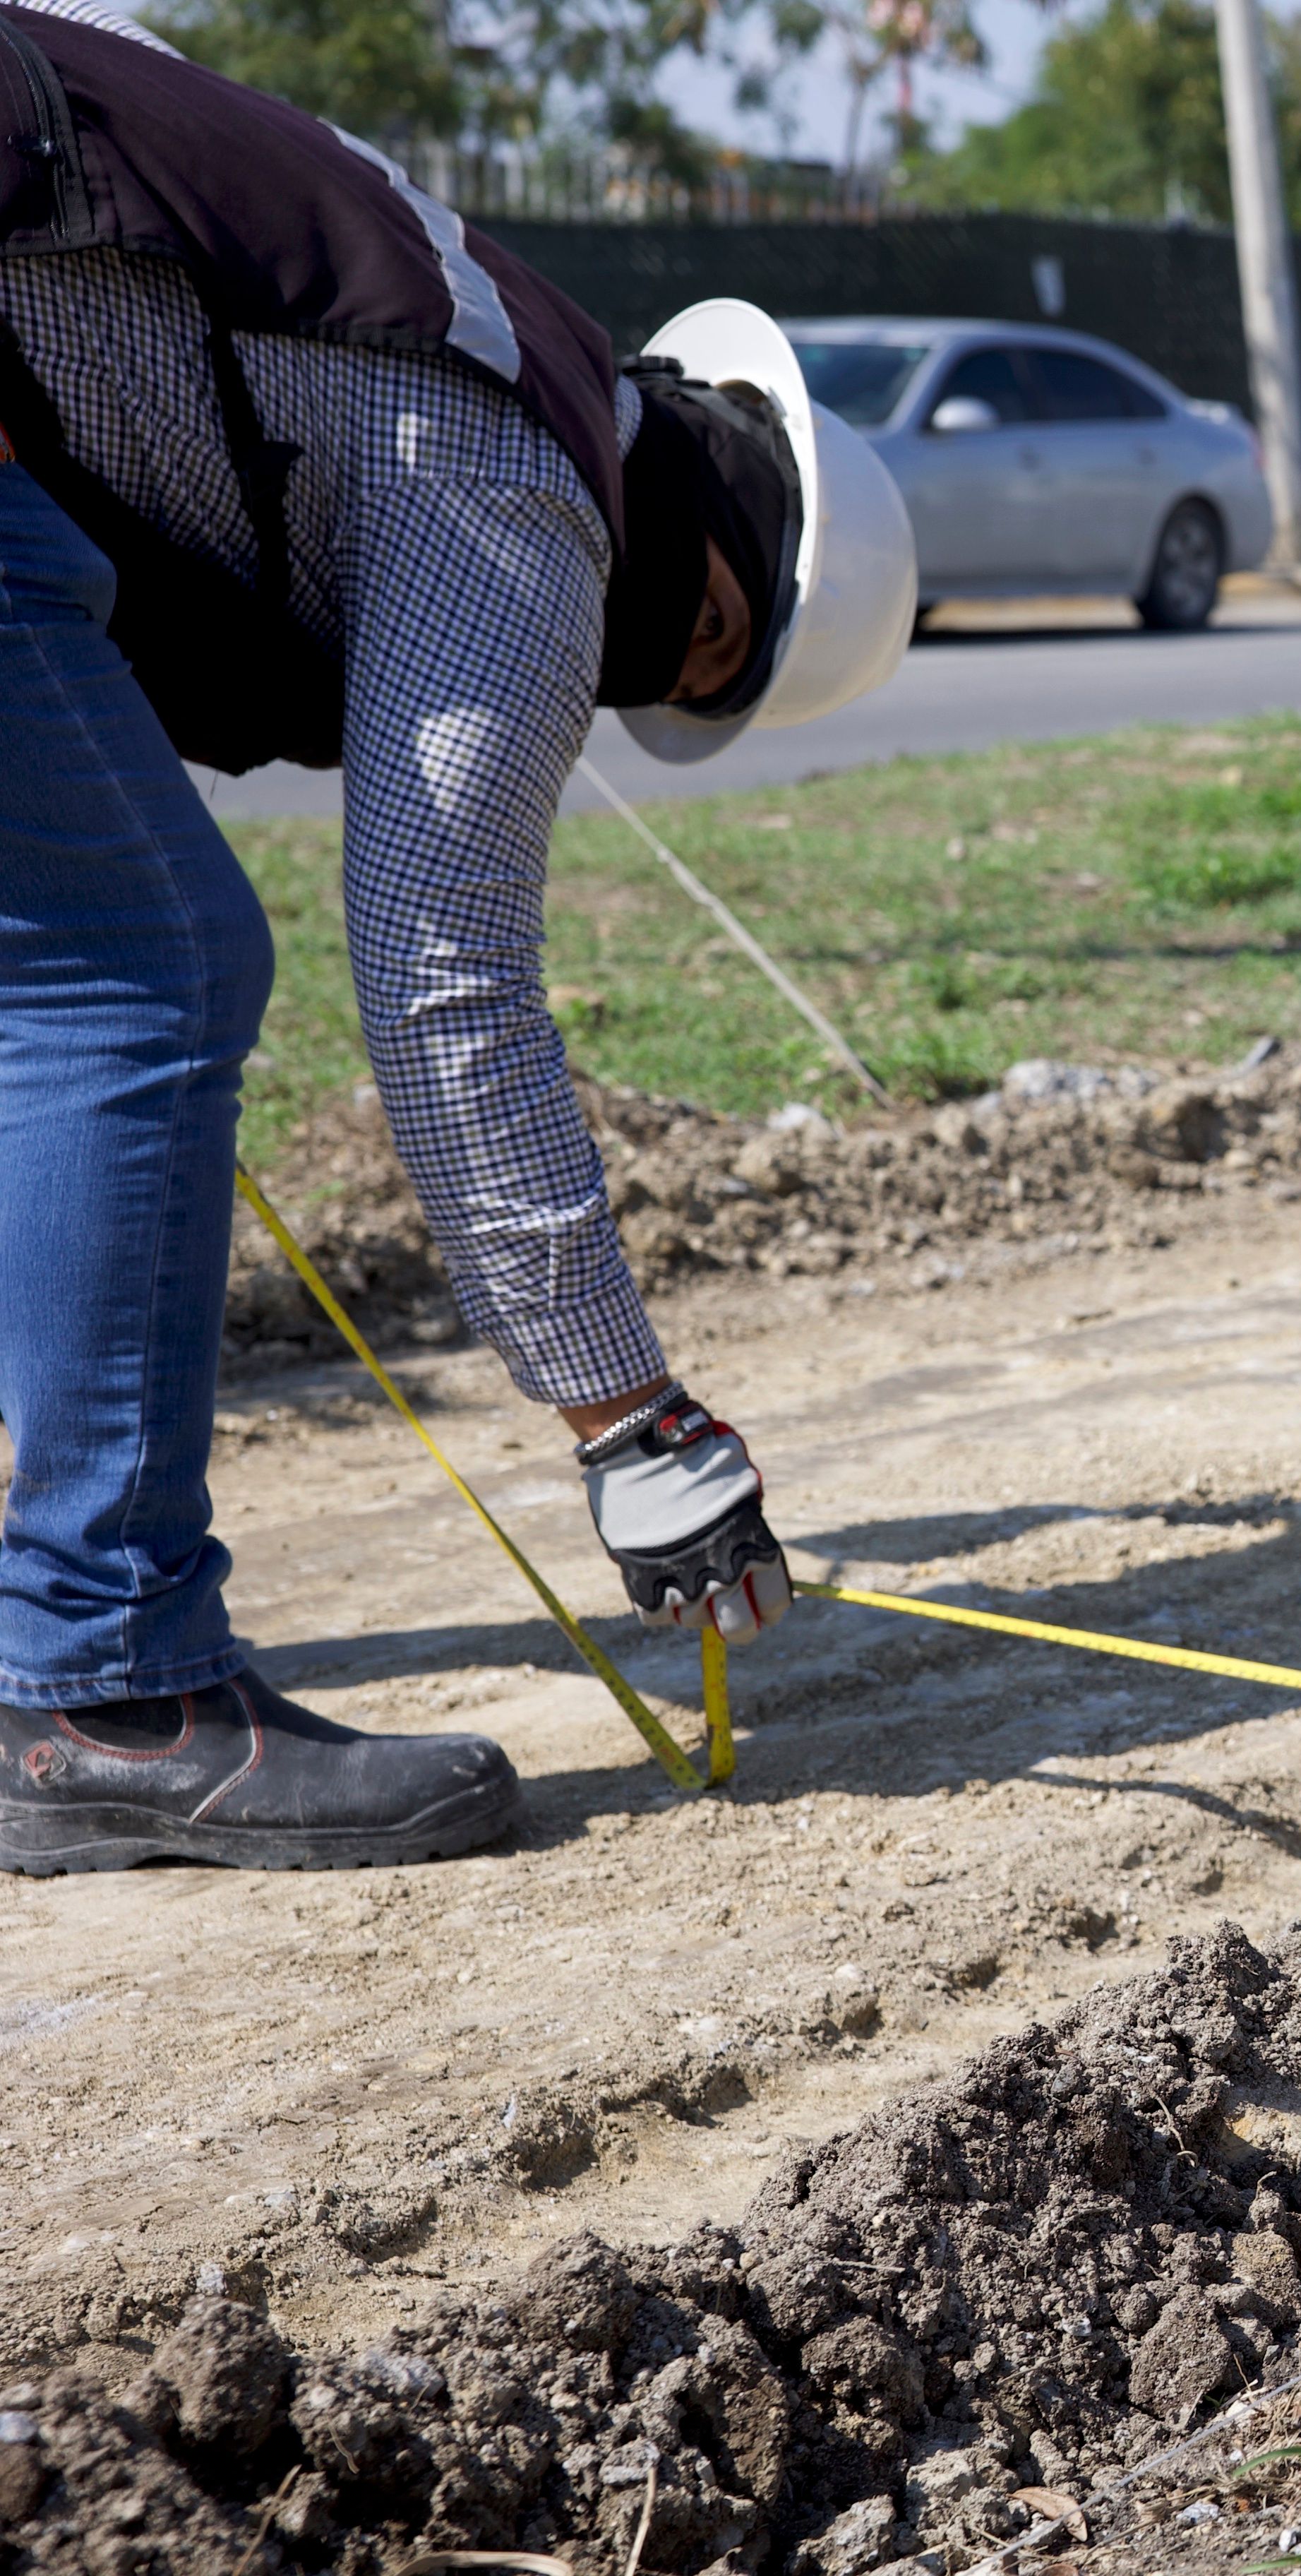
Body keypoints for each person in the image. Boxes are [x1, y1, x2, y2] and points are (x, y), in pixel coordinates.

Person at [0, 0, 918, 1873]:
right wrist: (634, 1422)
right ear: (719, 587)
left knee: (78, 958)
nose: (627, 686)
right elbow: (444, 983)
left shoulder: (435, 296)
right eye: (690, 664)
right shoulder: (516, 479)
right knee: (147, 968)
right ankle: (107, 1686)